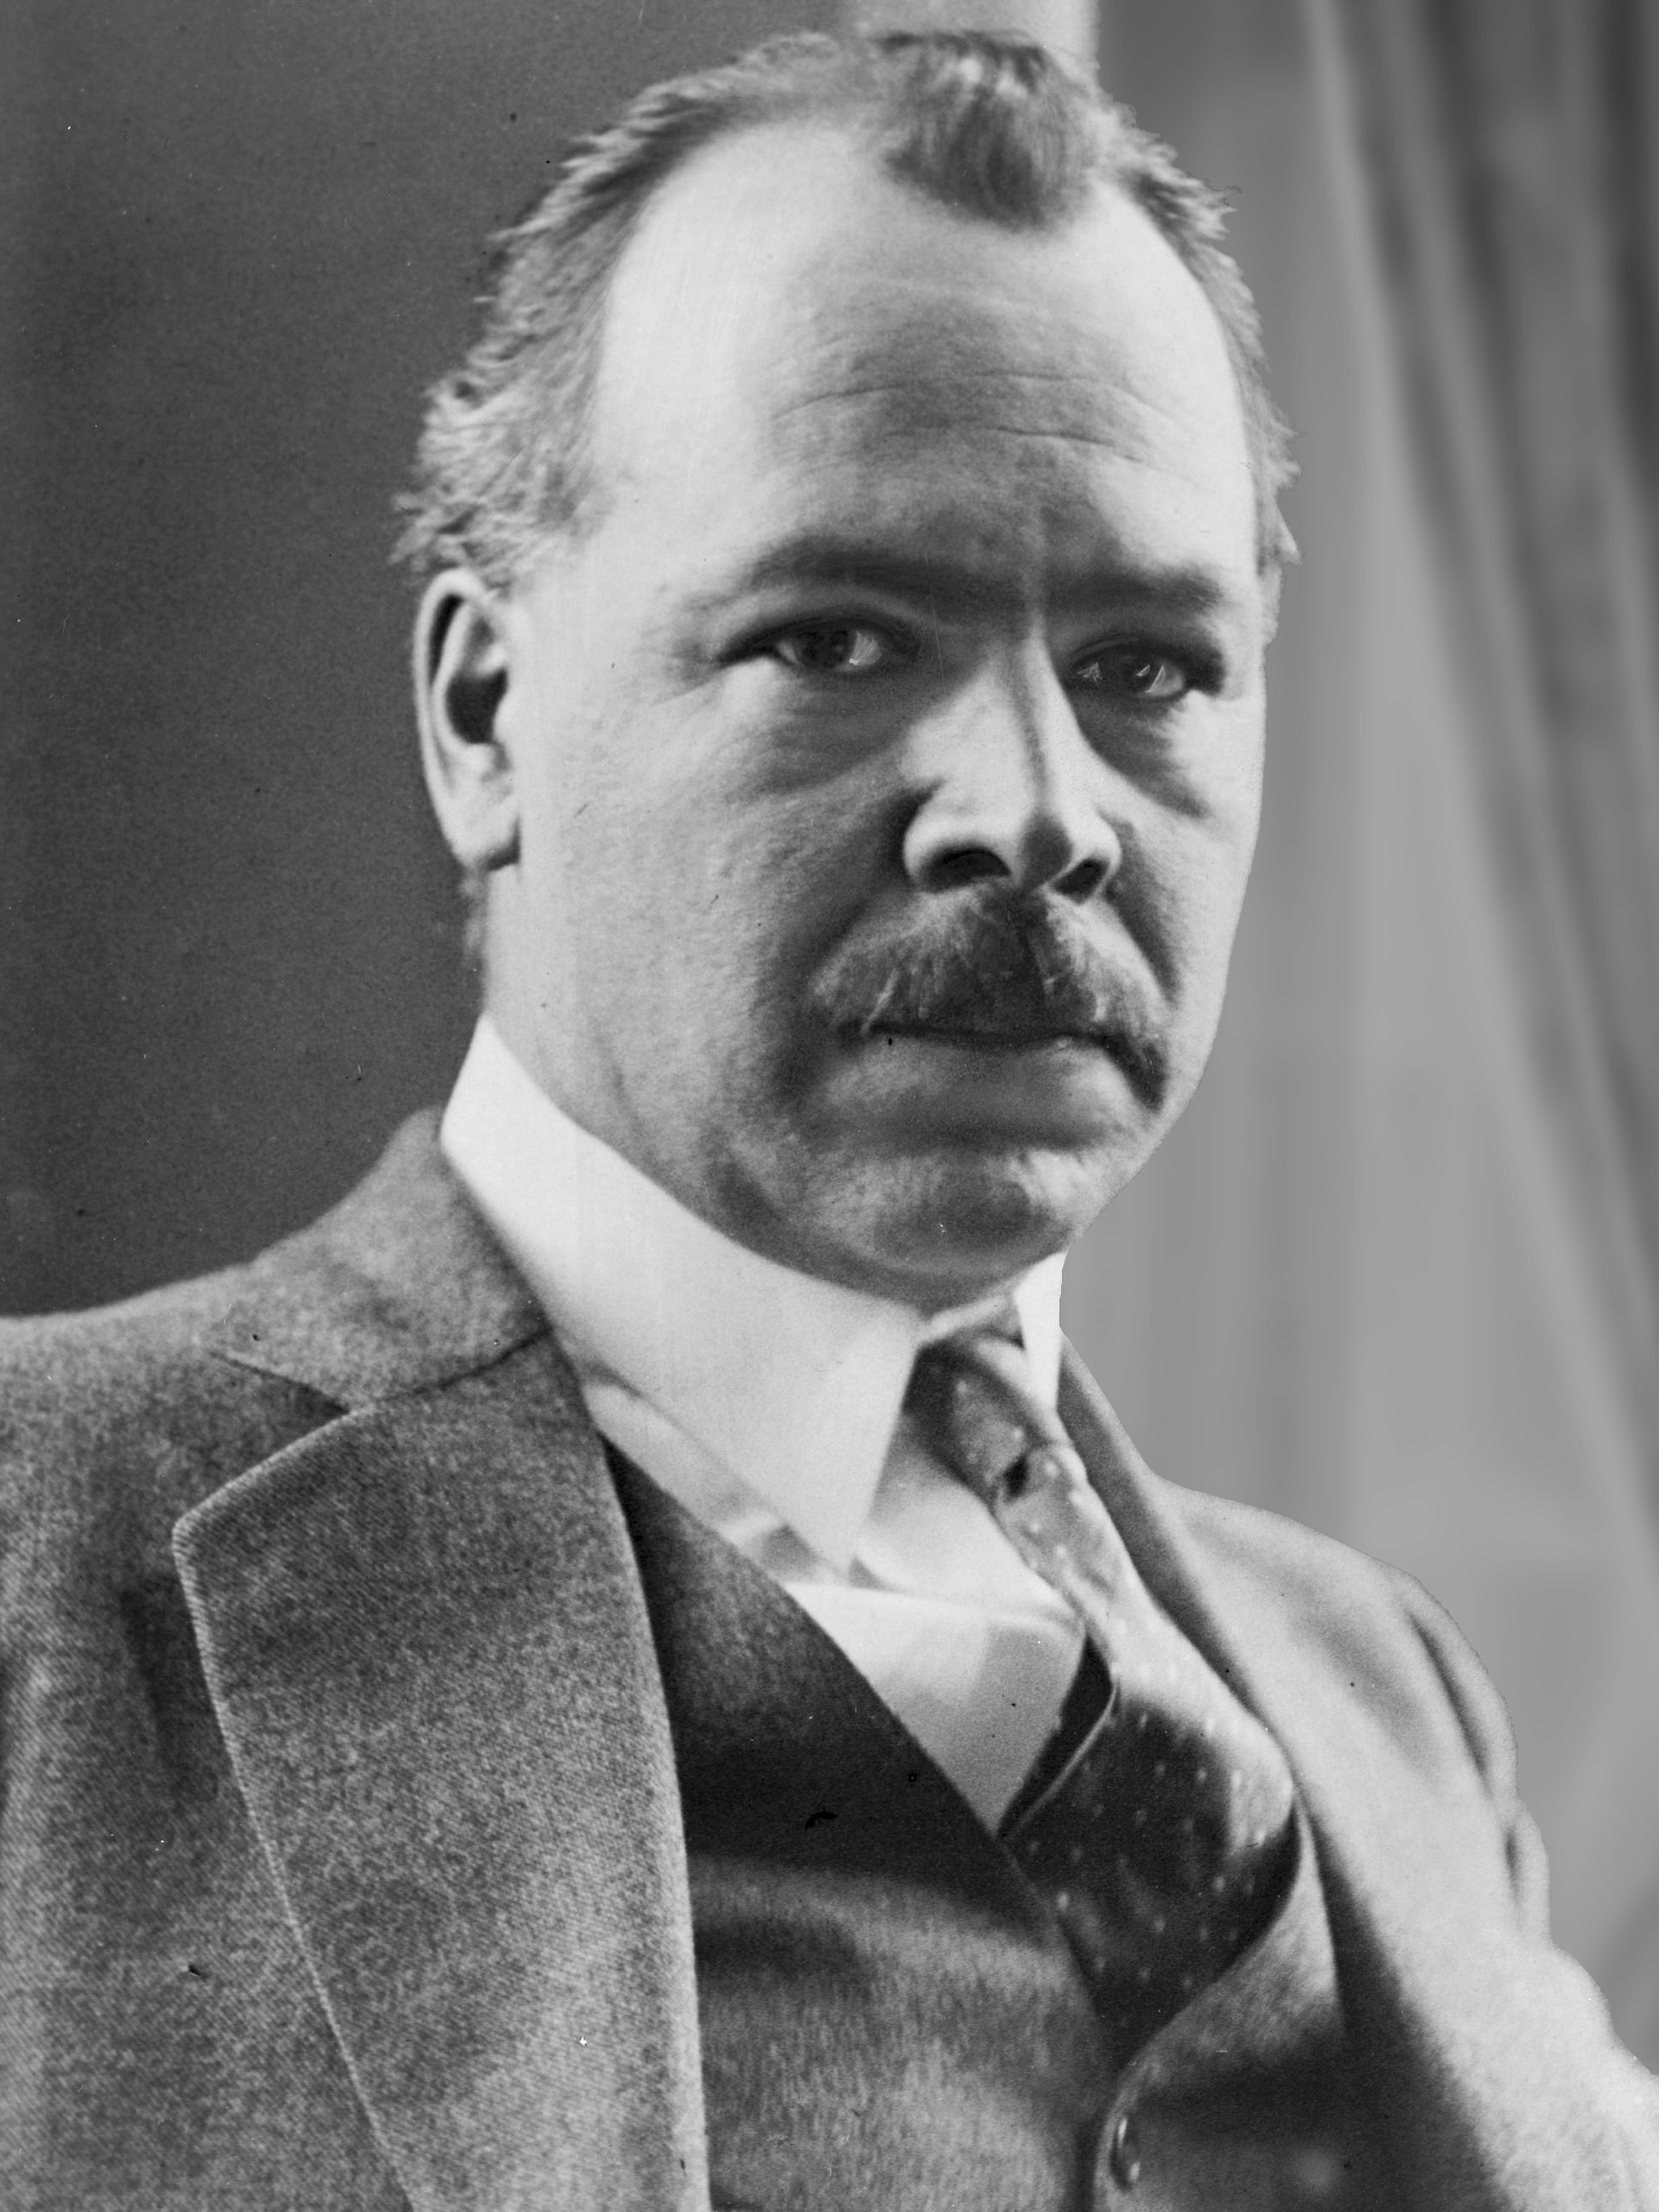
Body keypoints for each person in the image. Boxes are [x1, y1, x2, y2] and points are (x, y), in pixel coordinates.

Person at [2, 29, 1655, 2211]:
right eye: (841, 640)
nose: (1037, 815)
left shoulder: (1384, 1682)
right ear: (485, 715)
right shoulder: (41, 1552)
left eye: (1148, 668)